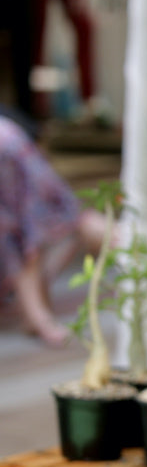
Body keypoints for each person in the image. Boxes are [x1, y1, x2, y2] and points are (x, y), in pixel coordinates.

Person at [0, 113, 105, 347]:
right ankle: (38, 317)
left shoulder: (10, 142)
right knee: (32, 238)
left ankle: (36, 315)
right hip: (36, 203)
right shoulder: (11, 144)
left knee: (34, 236)